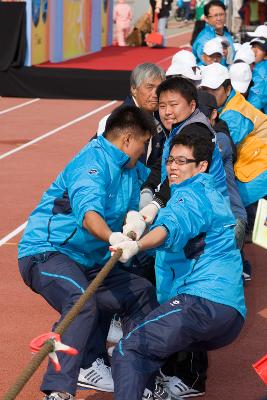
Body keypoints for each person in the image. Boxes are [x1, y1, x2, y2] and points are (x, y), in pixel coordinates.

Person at [18, 106, 161, 400]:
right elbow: (88, 213)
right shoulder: (92, 162)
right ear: (128, 140)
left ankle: (134, 380)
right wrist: (113, 236)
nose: (144, 151)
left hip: (90, 262)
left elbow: (159, 182)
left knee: (141, 292)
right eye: (143, 144)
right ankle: (58, 391)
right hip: (49, 253)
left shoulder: (130, 169)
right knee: (80, 301)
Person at [111, 129, 246, 400]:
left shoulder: (191, 196)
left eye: (182, 161)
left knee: (129, 351)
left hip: (202, 302)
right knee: (146, 352)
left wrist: (138, 245)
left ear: (202, 166)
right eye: (171, 160)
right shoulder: (206, 192)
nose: (173, 167)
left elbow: (172, 227)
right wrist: (144, 223)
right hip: (226, 311)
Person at [200, 62, 267, 208]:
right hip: (254, 170)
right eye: (205, 89)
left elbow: (218, 150)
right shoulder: (230, 104)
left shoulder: (233, 114)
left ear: (228, 88)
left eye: (214, 90)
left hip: (258, 176)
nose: (208, 95)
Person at [192, 0, 235, 66]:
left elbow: (230, 59)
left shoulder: (226, 33)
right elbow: (205, 65)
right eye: (215, 15)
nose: (219, 18)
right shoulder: (203, 40)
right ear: (206, 19)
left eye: (221, 14)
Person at [247, 36, 267, 113]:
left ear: (266, 56)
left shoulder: (263, 71)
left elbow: (257, 100)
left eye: (260, 49)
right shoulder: (253, 66)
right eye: (253, 46)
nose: (254, 50)